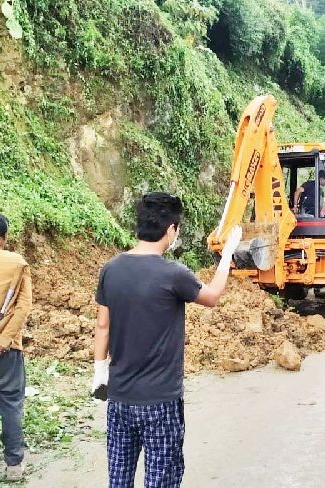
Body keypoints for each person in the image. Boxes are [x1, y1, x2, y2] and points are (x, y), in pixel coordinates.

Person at [92, 192, 242, 488]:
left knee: (119, 477)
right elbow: (211, 297)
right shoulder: (174, 274)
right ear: (171, 230)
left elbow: (102, 325)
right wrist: (227, 256)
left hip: (120, 398)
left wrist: (100, 373)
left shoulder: (111, 269)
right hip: (161, 401)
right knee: (161, 478)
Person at [0, 211, 33, 481]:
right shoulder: (16, 263)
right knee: (10, 406)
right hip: (4, 350)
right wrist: (0, 343)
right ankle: (13, 466)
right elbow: (22, 308)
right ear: (0, 237)